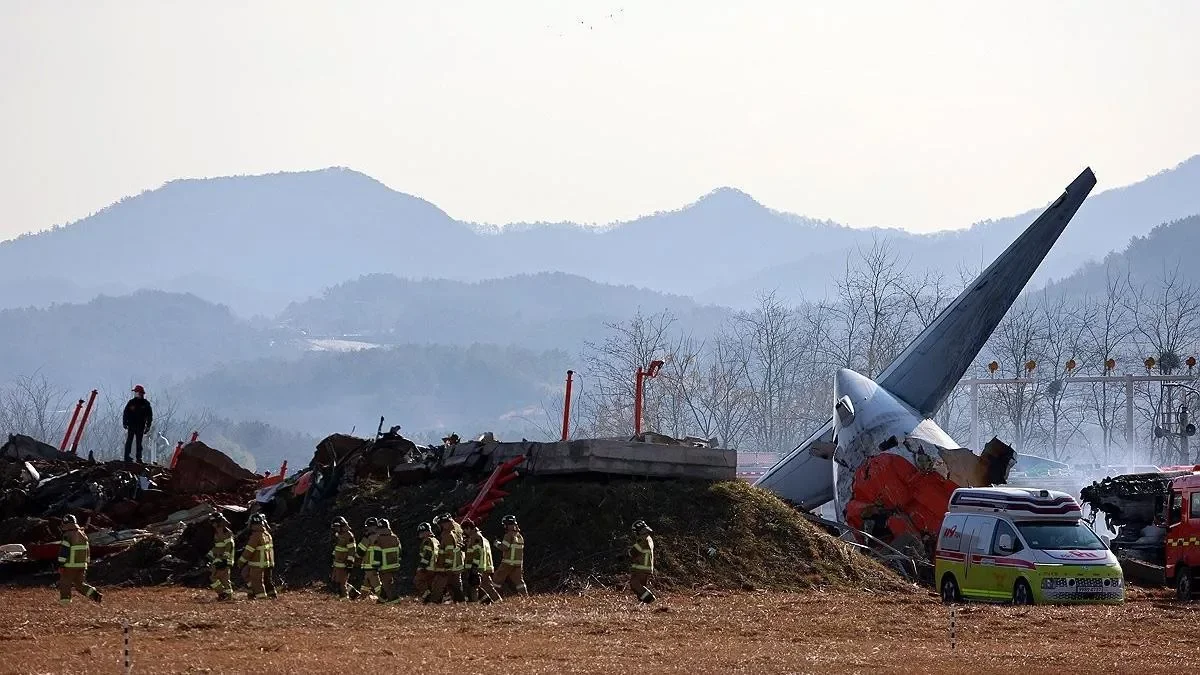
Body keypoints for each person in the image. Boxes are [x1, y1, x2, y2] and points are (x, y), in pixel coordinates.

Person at [56, 515, 102, 604]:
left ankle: (65, 604)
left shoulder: (67, 535)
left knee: (65, 584)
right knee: (80, 584)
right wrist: (86, 563)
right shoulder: (83, 534)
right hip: (82, 565)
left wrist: (61, 564)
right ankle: (95, 595)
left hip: (70, 565)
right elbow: (87, 551)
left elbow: (64, 552)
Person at [237, 513, 277, 600]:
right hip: (268, 562)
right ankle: (272, 595)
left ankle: (261, 598)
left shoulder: (255, 536)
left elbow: (249, 551)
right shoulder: (267, 534)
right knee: (267, 580)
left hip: (258, 563)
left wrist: (240, 561)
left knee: (256, 581)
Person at [427, 514, 465, 603]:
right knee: (456, 587)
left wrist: (447, 566)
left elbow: (449, 552)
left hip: (446, 567)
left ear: (444, 524)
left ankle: (433, 603)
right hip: (457, 566)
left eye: (440, 525)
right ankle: (461, 603)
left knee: (438, 586)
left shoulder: (447, 535)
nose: (439, 527)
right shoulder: (457, 532)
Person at [463, 518, 501, 604]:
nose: (465, 533)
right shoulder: (482, 538)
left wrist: (474, 567)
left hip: (478, 567)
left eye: (465, 530)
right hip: (484, 566)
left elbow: (477, 553)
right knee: (487, 586)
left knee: (473, 586)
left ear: (468, 528)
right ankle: (497, 602)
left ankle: (475, 605)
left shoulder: (475, 537)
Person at [492, 514, 528, 596]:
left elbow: (504, 547)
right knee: (519, 582)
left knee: (496, 580)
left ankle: (494, 597)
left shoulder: (508, 535)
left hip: (507, 563)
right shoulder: (519, 536)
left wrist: (496, 543)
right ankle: (525, 597)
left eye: (505, 524)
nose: (504, 526)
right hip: (518, 564)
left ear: (507, 524)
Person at [122, 385, 153, 463]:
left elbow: (150, 416)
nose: (135, 393)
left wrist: (148, 426)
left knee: (139, 442)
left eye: (136, 392)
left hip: (140, 426)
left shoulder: (146, 404)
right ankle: (127, 457)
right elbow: (126, 413)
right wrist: (125, 422)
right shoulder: (131, 402)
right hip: (131, 425)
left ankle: (139, 458)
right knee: (129, 441)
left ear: (141, 393)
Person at [374, 518, 403, 604]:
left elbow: (377, 553)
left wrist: (375, 565)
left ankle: (394, 600)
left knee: (387, 584)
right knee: (388, 582)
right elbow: (400, 551)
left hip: (384, 566)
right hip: (394, 565)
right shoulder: (395, 537)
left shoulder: (378, 539)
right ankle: (382, 600)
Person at [207, 514, 235, 601]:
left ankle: (223, 594)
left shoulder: (225, 532)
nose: (213, 525)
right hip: (219, 559)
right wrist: (209, 555)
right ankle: (227, 596)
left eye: (214, 522)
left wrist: (225, 560)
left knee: (215, 577)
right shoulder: (218, 532)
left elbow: (229, 546)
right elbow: (217, 547)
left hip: (223, 560)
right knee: (224, 579)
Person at [330, 517, 358, 599]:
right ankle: (353, 593)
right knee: (335, 581)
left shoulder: (348, 535)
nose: (335, 528)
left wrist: (349, 562)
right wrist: (333, 555)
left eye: (337, 526)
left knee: (341, 583)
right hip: (337, 563)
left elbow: (352, 550)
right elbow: (338, 547)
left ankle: (344, 599)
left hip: (344, 564)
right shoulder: (339, 535)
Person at [629, 519, 656, 604]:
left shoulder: (643, 539)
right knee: (640, 587)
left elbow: (634, 552)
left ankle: (650, 600)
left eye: (635, 531)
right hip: (645, 566)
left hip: (642, 567)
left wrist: (623, 556)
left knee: (635, 584)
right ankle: (644, 603)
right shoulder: (648, 538)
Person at [355, 517, 381, 599]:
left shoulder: (369, 537)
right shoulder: (380, 536)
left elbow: (360, 551)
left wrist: (365, 538)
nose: (367, 529)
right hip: (375, 564)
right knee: (366, 582)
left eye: (368, 527)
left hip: (370, 565)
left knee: (376, 584)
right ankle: (362, 597)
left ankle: (383, 598)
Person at [414, 522, 439, 602]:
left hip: (428, 567)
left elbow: (427, 554)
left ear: (426, 532)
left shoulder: (427, 541)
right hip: (435, 567)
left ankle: (426, 595)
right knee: (430, 584)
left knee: (418, 581)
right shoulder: (435, 540)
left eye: (421, 532)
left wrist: (422, 566)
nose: (420, 534)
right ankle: (429, 600)